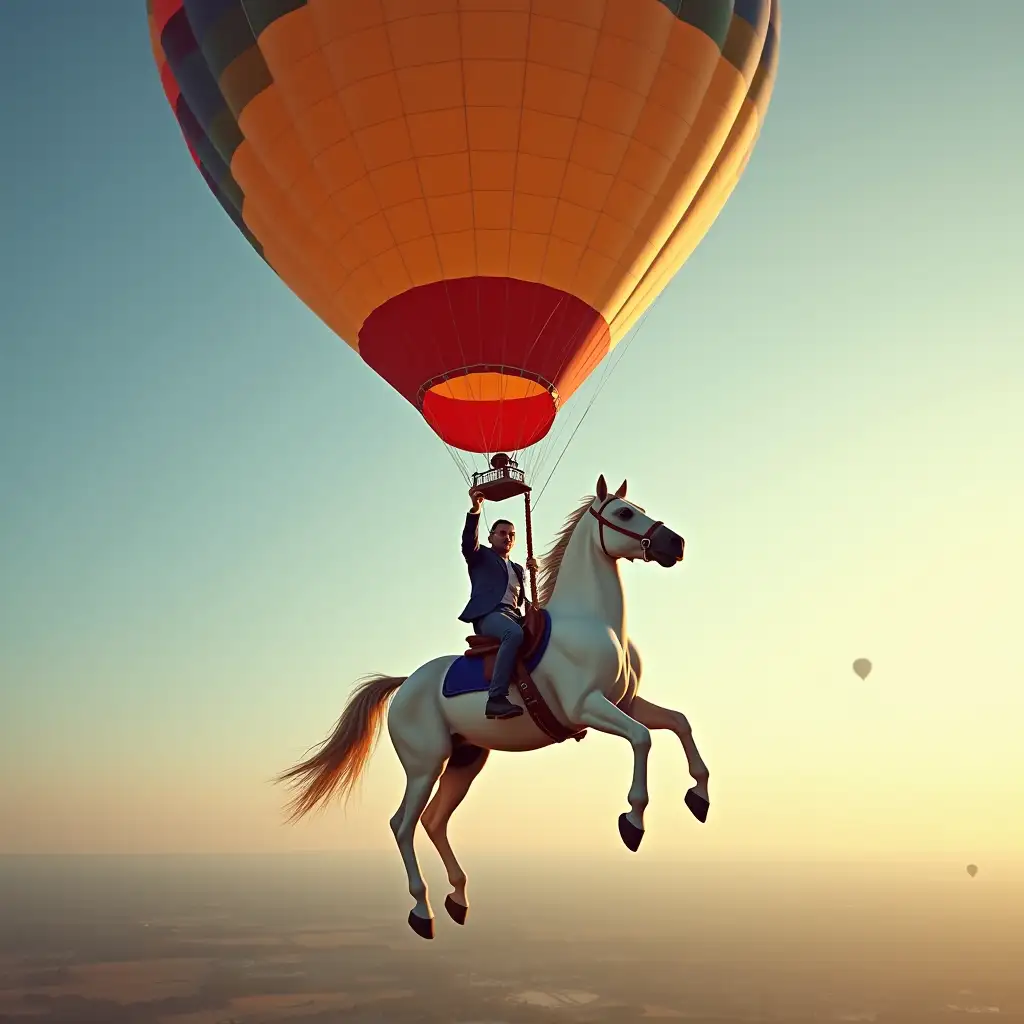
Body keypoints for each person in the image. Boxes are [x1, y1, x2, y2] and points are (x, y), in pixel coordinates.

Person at [459, 486, 538, 720]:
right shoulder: (480, 555)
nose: (508, 537)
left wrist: (535, 573)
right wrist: (476, 509)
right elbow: (467, 542)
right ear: (491, 536)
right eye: (502, 533)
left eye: (512, 534)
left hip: (515, 613)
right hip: (490, 615)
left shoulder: (517, 568)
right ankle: (496, 698)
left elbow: (526, 601)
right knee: (513, 635)